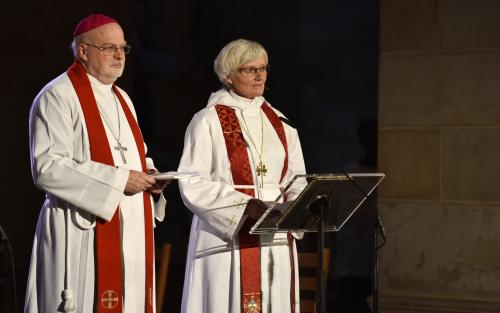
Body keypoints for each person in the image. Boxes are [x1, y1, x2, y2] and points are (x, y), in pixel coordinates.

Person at [24, 14, 168, 313]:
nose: (118, 55)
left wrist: (151, 176)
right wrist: (119, 180)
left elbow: (132, 156)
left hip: (130, 226)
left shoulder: (123, 99)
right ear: (83, 51)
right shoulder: (57, 95)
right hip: (81, 228)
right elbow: (47, 167)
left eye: (123, 48)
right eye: (108, 48)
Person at [177, 38, 306, 313]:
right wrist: (244, 206)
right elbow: (191, 181)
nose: (259, 75)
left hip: (274, 236)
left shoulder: (281, 122)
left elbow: (297, 178)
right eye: (249, 69)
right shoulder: (208, 120)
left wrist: (299, 209)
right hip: (227, 234)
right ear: (228, 76)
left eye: (263, 68)